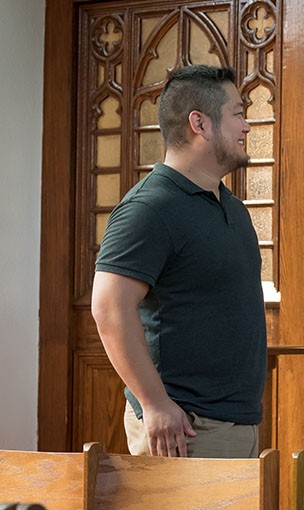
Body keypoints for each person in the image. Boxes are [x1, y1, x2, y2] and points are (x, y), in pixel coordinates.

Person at [91, 65, 266, 459]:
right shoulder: (150, 208)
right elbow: (108, 307)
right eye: (238, 113)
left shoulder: (233, 208)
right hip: (184, 428)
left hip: (236, 423)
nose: (247, 126)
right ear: (199, 124)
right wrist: (154, 404)